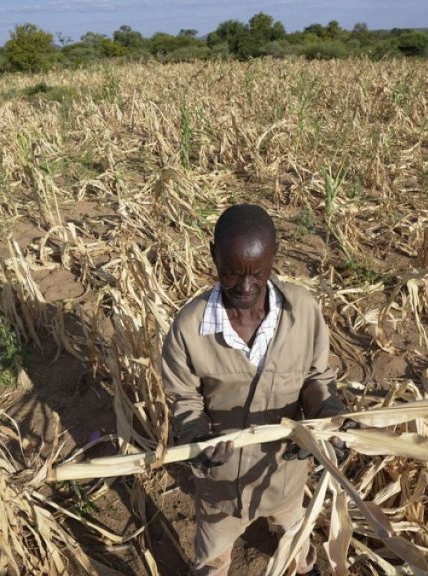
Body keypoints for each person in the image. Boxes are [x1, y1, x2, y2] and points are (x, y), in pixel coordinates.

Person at [161, 203, 346, 575]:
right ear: (213, 255)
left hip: (284, 476)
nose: (245, 287)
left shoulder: (303, 312)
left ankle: (302, 564)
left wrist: (327, 420)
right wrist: (197, 438)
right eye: (230, 274)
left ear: (274, 257)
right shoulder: (188, 328)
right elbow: (184, 398)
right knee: (213, 555)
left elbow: (315, 380)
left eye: (257, 274)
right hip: (221, 487)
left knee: (294, 534)